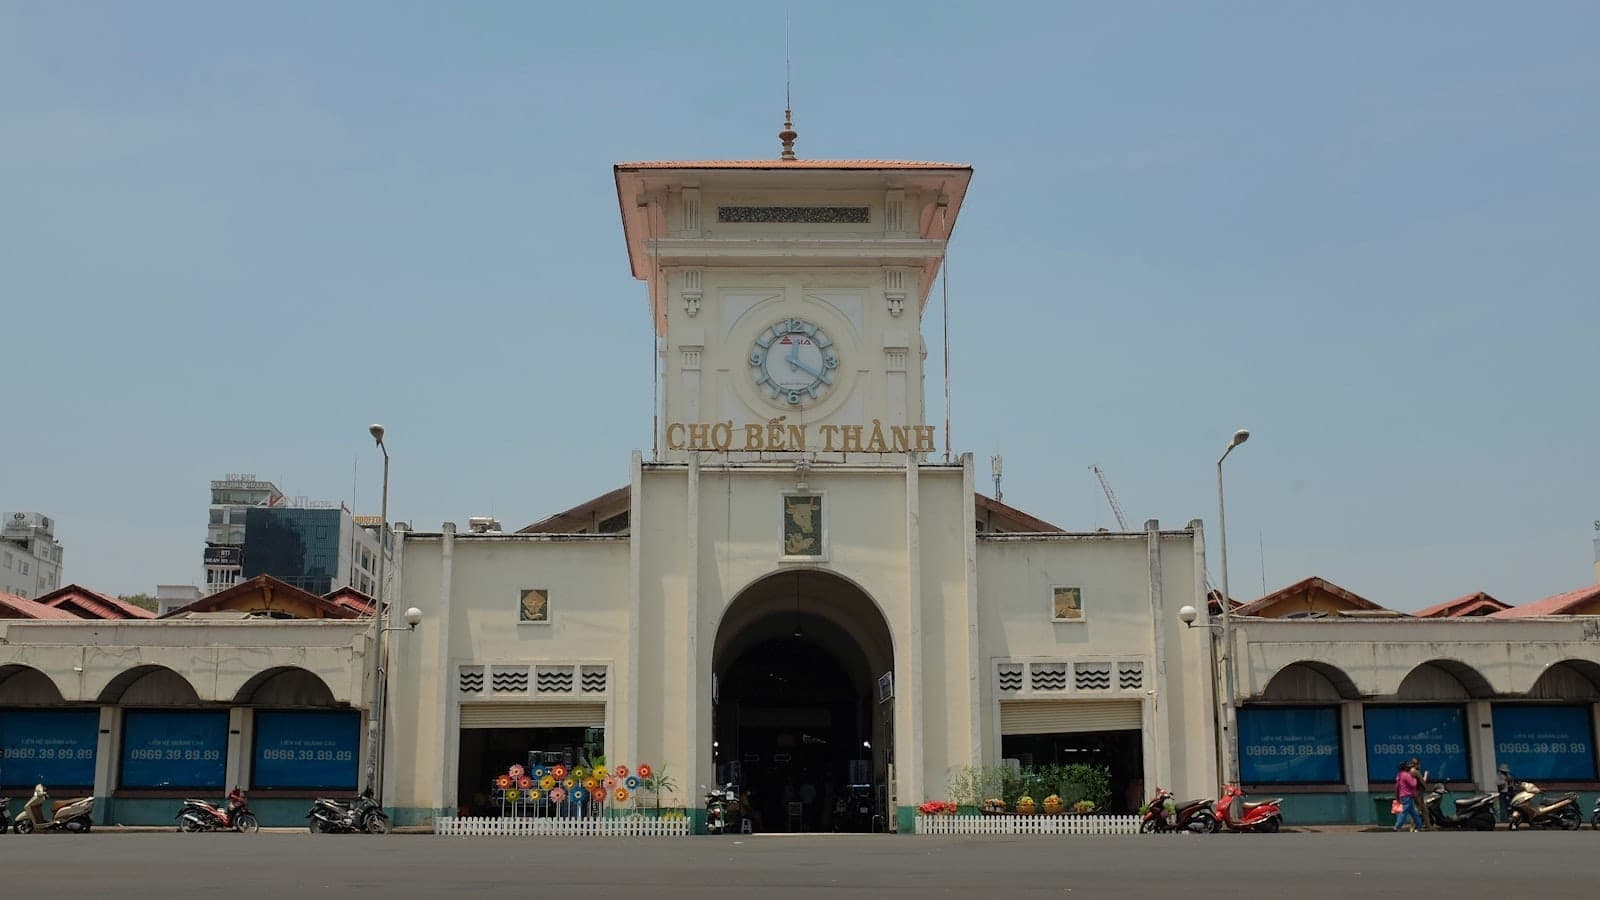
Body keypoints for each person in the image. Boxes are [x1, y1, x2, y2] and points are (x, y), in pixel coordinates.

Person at [1393, 761, 1424, 832]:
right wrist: (1415, 779)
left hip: (1403, 795)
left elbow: (1397, 786)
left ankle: (1420, 826)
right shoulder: (1406, 775)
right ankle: (1397, 826)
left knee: (1413, 812)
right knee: (1404, 812)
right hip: (1408, 796)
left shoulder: (1399, 775)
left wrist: (1397, 796)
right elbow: (1413, 784)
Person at [1408, 758, 1431, 829]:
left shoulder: (1409, 771)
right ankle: (1412, 826)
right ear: (1416, 764)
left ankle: (1428, 826)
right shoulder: (1415, 772)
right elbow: (1423, 781)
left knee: (1424, 810)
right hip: (1418, 793)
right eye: (1419, 764)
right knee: (1417, 809)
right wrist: (1426, 774)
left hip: (1415, 792)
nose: (1420, 766)